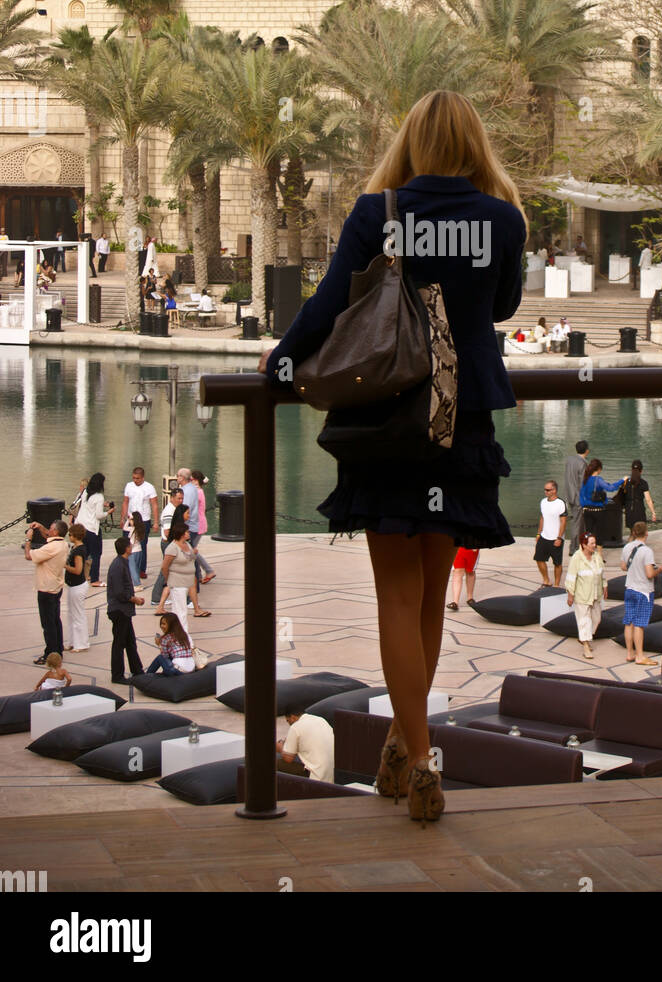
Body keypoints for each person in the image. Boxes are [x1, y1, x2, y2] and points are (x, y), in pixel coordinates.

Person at [259, 89, 527, 826]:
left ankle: (416, 754)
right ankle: (409, 752)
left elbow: (326, 308)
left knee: (394, 597)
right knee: (431, 594)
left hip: (387, 420)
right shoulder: (501, 219)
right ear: (474, 145)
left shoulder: (378, 213)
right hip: (458, 418)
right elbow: (501, 307)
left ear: (409, 142)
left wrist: (280, 364)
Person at [620, 521, 662, 666]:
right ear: (646, 533)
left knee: (629, 622)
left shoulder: (627, 547)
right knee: (639, 624)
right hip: (643, 591)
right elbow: (649, 574)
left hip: (630, 588)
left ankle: (629, 653)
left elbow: (623, 566)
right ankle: (640, 656)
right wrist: (659, 569)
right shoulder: (647, 551)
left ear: (633, 533)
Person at [25, 518, 69, 665]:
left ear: (55, 531)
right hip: (56, 588)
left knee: (48, 624)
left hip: (46, 590)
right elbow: (48, 537)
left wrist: (28, 539)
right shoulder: (63, 544)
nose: (48, 531)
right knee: (55, 621)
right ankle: (58, 650)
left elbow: (29, 555)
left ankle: (50, 653)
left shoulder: (50, 548)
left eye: (50, 528)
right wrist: (41, 527)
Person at [160, 513, 210, 632]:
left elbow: (191, 557)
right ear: (182, 534)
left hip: (187, 582)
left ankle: (175, 634)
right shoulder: (172, 548)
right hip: (177, 583)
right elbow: (164, 567)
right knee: (181, 611)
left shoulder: (187, 544)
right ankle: (185, 637)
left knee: (179, 611)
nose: (189, 533)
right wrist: (169, 580)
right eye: (187, 532)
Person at [106, 535, 145, 684]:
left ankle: (137, 670)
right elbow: (119, 592)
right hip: (119, 610)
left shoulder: (123, 563)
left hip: (124, 610)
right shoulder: (118, 565)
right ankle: (117, 675)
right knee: (119, 643)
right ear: (127, 549)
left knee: (129, 641)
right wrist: (135, 599)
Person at [565, 531, 606, 659]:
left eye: (595, 543)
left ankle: (584, 638)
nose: (594, 545)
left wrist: (604, 585)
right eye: (592, 543)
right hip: (582, 595)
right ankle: (586, 646)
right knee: (584, 620)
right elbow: (571, 577)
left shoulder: (597, 557)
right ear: (584, 545)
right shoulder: (577, 558)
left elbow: (601, 573)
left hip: (595, 594)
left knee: (596, 618)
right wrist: (570, 594)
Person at [121, 466, 159, 580]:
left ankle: (141, 569)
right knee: (126, 544)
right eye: (133, 478)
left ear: (142, 478)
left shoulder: (149, 488)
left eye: (137, 478)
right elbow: (125, 502)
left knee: (142, 545)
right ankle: (126, 567)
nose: (135, 480)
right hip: (130, 518)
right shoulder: (129, 486)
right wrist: (122, 519)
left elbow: (154, 505)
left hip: (144, 520)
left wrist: (156, 522)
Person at [579, 459, 627, 546]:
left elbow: (581, 495)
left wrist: (583, 506)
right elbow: (610, 488)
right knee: (599, 534)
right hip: (598, 510)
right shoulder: (598, 480)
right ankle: (600, 555)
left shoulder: (585, 479)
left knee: (589, 533)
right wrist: (622, 480)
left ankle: (588, 553)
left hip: (586, 510)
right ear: (599, 469)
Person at [276, 710, 335, 782]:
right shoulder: (320, 720)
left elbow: (288, 758)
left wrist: (280, 747)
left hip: (315, 776)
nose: (289, 724)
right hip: (330, 773)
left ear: (292, 717)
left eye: (288, 721)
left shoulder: (295, 726)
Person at [151, 486, 185, 609]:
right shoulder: (169, 511)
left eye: (182, 498)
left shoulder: (175, 509)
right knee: (165, 570)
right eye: (178, 498)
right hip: (168, 543)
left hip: (170, 543)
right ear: (172, 498)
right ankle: (156, 598)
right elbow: (167, 531)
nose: (181, 501)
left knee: (168, 570)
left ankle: (158, 597)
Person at [78, 472, 114, 587]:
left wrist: (103, 504)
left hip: (81, 526)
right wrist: (108, 512)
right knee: (96, 554)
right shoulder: (99, 496)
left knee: (84, 553)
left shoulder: (85, 492)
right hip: (92, 529)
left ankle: (80, 576)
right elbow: (98, 515)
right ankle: (94, 579)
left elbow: (89, 505)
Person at [535, 479, 566, 588]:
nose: (546, 492)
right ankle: (546, 581)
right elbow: (542, 518)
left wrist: (559, 537)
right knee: (539, 559)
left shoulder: (560, 503)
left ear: (554, 490)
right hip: (544, 536)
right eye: (545, 490)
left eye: (548, 490)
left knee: (557, 563)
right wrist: (538, 533)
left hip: (556, 538)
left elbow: (563, 522)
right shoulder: (543, 502)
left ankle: (556, 585)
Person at [63, 521, 90, 652]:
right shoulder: (75, 547)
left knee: (78, 615)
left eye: (70, 534)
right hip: (72, 585)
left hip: (78, 586)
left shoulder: (79, 551)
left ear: (74, 535)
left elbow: (78, 570)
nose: (69, 536)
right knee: (71, 614)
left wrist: (65, 566)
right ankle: (73, 641)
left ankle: (81, 643)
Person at [187, 468, 216, 582]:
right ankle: (198, 575)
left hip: (197, 524)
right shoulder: (198, 491)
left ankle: (208, 570)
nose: (190, 481)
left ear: (196, 481)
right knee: (191, 549)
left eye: (191, 479)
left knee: (191, 549)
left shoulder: (197, 492)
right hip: (199, 523)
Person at [562, 438, 589, 557]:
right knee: (577, 523)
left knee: (576, 521)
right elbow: (583, 482)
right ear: (587, 450)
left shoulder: (570, 460)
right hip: (578, 496)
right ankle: (573, 548)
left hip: (569, 494)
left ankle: (580, 545)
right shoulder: (583, 463)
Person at [619, 460, 657, 534]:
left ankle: (631, 544)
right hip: (639, 509)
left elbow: (621, 496)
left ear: (631, 470)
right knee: (641, 533)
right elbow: (648, 499)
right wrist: (653, 512)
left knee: (632, 532)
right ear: (641, 470)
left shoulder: (626, 482)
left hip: (629, 509)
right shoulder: (643, 483)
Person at [123, 512, 147, 591]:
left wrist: (127, 550)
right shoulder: (137, 529)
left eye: (131, 520)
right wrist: (128, 520)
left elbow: (131, 543)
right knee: (136, 568)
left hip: (133, 552)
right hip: (139, 551)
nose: (130, 522)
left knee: (132, 569)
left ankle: (137, 585)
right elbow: (125, 528)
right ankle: (137, 583)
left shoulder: (134, 530)